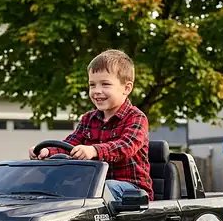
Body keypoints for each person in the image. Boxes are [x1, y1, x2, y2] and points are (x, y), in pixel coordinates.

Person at [28, 49, 153, 201]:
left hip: (131, 190)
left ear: (127, 88)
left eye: (105, 84)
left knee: (105, 188)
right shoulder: (88, 119)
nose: (97, 91)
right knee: (52, 187)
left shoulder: (136, 117)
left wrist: (94, 150)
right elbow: (70, 144)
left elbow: (126, 146)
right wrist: (48, 151)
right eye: (92, 85)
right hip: (93, 188)